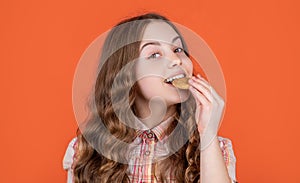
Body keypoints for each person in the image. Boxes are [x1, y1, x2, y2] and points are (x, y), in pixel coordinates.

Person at [63, 13, 238, 183]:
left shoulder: (216, 150)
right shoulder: (85, 152)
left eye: (178, 49)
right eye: (155, 54)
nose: (176, 60)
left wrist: (208, 135)